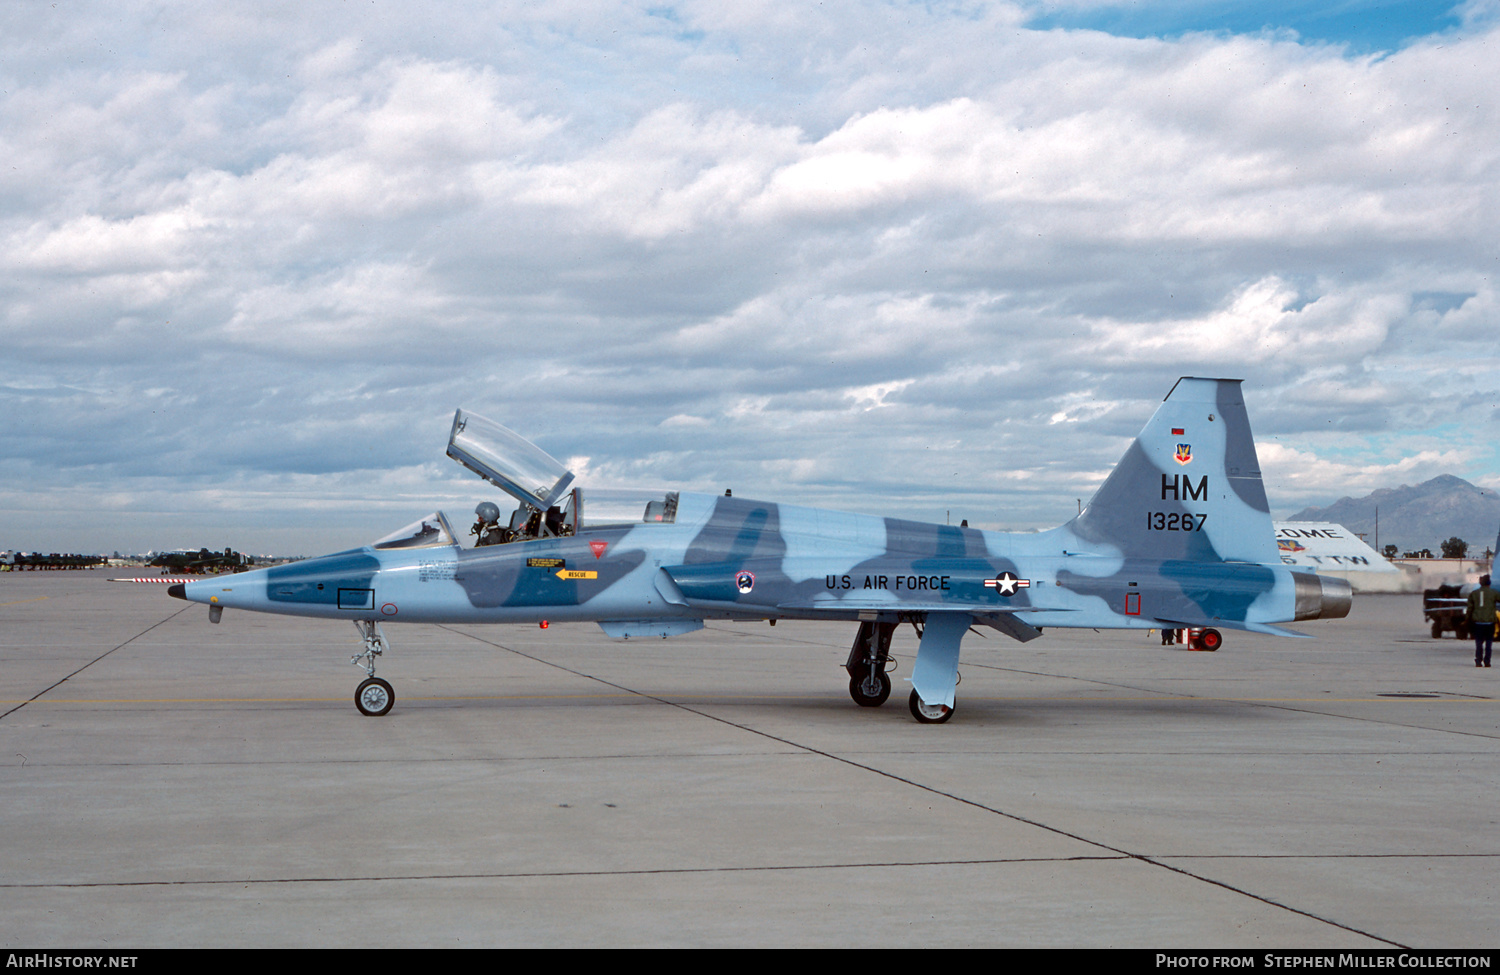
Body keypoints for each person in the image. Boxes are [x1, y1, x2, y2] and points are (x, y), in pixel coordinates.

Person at [1466, 574, 1497, 668]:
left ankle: (1478, 661)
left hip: (1478, 622)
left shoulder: (1474, 593)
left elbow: (1469, 608)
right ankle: (1487, 661)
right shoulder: (1494, 593)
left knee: (1479, 643)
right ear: (1489, 583)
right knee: (1489, 643)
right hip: (1490, 622)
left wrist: (1467, 620)